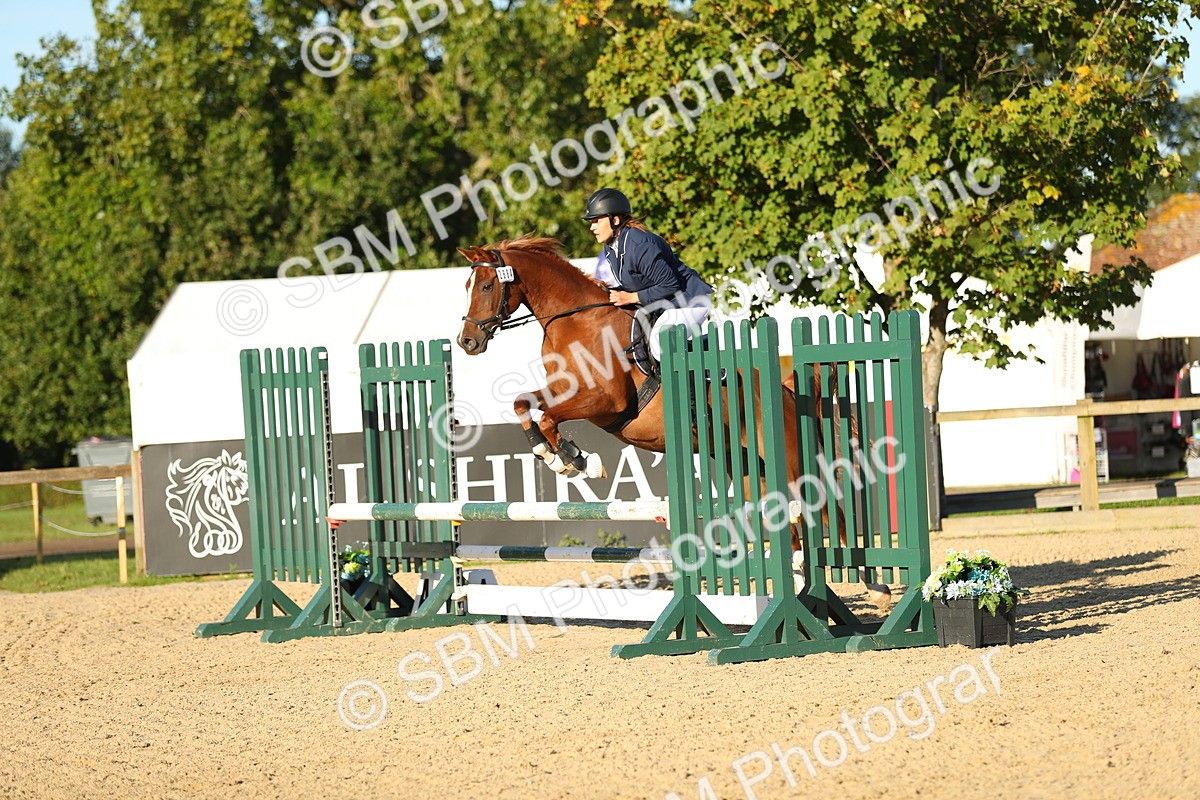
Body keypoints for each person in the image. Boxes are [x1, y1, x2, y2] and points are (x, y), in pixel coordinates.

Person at [582, 187, 714, 365]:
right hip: (667, 304)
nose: (592, 227)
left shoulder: (640, 245)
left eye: (596, 221)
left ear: (615, 220)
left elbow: (670, 284)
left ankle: (707, 371)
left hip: (690, 301)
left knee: (660, 344)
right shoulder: (611, 247)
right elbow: (635, 283)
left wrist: (631, 297)